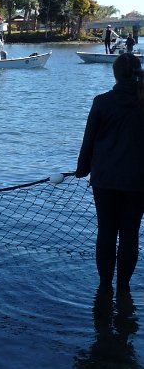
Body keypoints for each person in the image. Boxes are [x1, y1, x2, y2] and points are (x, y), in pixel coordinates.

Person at [76, 52, 144, 293]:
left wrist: (81, 169)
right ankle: (123, 287)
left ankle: (104, 287)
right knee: (130, 234)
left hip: (105, 179)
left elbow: (89, 141)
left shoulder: (102, 101)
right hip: (138, 181)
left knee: (106, 232)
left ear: (114, 74)